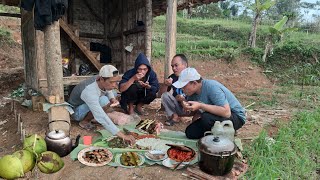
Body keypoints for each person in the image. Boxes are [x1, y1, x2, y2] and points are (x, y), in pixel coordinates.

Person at [68, 65, 135, 144]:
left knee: (112, 93)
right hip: (75, 111)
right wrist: (122, 135)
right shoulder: (89, 90)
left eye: (115, 82)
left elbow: (108, 89)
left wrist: (112, 99)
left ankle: (91, 116)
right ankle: (84, 121)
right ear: (102, 79)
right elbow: (101, 116)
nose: (114, 85)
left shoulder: (100, 79)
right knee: (103, 101)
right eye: (111, 82)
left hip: (85, 104)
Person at [172, 68, 246, 139]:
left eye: (184, 86)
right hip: (214, 116)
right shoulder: (192, 94)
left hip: (236, 116)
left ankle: (223, 134)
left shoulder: (211, 87)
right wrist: (187, 106)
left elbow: (226, 112)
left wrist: (200, 106)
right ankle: (217, 133)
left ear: (194, 83)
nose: (182, 89)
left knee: (206, 118)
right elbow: (195, 112)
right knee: (190, 132)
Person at [161, 54, 188, 126]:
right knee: (165, 95)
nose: (173, 68)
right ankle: (175, 116)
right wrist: (165, 85)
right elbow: (161, 95)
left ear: (185, 65)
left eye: (176, 65)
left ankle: (197, 117)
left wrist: (183, 100)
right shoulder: (172, 77)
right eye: (172, 66)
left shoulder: (192, 77)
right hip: (177, 107)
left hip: (190, 108)